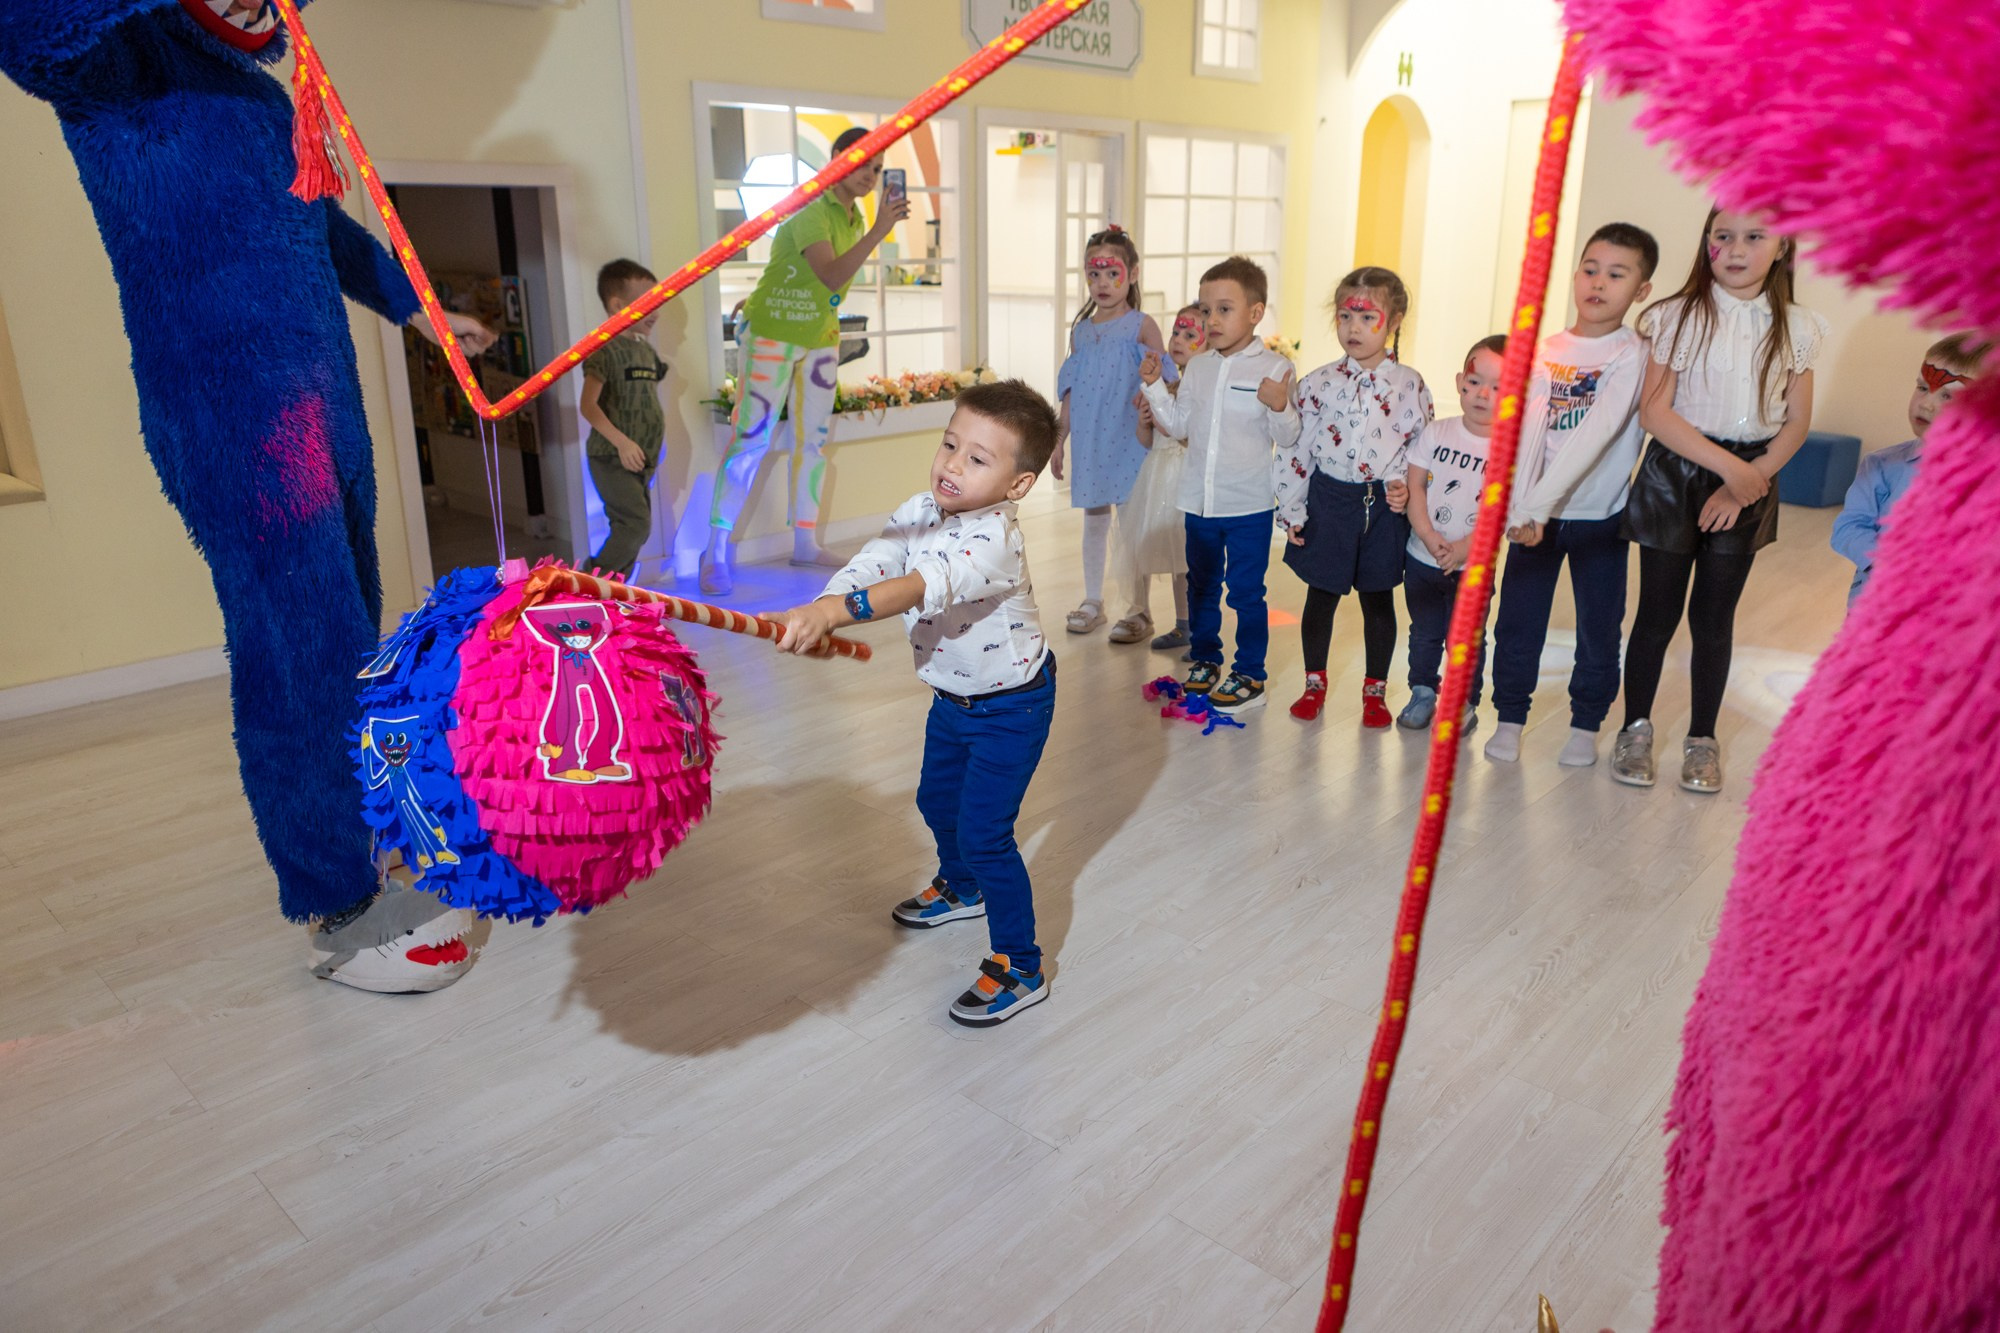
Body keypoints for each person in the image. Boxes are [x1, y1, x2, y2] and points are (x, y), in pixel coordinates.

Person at [775, 381, 1061, 1026]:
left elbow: (917, 587)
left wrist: (833, 615)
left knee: (988, 835)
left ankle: (1021, 963)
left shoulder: (995, 542)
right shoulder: (921, 509)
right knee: (936, 802)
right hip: (952, 697)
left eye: (978, 459)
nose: (953, 464)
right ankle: (960, 889)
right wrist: (824, 607)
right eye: (951, 444)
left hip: (1011, 706)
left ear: (1018, 486)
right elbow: (877, 562)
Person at [1612, 207, 1831, 793]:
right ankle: (1635, 728)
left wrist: (1747, 481)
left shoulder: (1801, 327)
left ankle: (1701, 739)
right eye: (1722, 236)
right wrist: (1733, 472)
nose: (1736, 248)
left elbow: (1797, 421)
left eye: (1754, 237)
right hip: (1676, 473)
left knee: (1713, 618)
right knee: (1655, 614)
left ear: (1783, 246)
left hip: (1753, 476)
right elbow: (1656, 411)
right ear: (1707, 241)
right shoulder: (1674, 316)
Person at [700, 126, 912, 595]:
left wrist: (871, 228)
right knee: (749, 440)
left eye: (878, 170)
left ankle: (805, 542)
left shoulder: (852, 217)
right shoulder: (810, 208)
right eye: (862, 164)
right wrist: (882, 230)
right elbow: (833, 275)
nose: (870, 176)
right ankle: (713, 550)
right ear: (837, 157)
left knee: (812, 442)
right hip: (773, 333)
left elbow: (825, 287)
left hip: (819, 338)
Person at [1483, 223, 1659, 768]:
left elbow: (1596, 432)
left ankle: (1586, 724)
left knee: (1599, 627)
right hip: (1533, 518)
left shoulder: (1633, 354)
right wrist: (1523, 509)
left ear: (1641, 290)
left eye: (1616, 273)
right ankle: (1510, 716)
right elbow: (1529, 432)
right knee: (1518, 622)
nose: (1598, 283)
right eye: (1589, 269)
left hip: (1599, 518)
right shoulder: (1544, 349)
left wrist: (1536, 504)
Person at [1139, 257, 1302, 714]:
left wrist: (1280, 406)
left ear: (1255, 313)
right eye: (1206, 310)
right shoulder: (1200, 367)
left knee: (1246, 592)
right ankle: (1207, 660)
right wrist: (1154, 387)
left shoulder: (1275, 369)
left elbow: (1289, 438)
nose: (1211, 320)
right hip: (1199, 502)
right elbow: (1176, 425)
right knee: (1202, 587)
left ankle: (1251, 672)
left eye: (1224, 309)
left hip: (1248, 505)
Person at [1274, 267, 1433, 726]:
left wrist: (1406, 486)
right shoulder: (1319, 383)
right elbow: (1296, 449)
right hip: (1329, 502)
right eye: (1345, 316)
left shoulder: (1410, 385)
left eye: (1367, 318)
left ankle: (1375, 691)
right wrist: (1293, 509)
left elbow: (1421, 448)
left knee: (1378, 601)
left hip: (1383, 510)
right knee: (1319, 598)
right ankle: (1314, 684)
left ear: (1394, 320)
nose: (1354, 328)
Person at [1054, 226, 1166, 640]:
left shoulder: (1141, 325)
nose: (1101, 284)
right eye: (1093, 274)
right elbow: (1070, 390)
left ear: (1132, 274)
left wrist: (1152, 399)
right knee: (1095, 521)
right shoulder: (1081, 331)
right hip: (1092, 439)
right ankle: (1093, 600)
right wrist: (1059, 439)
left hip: (1130, 437)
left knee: (1133, 525)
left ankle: (1139, 609)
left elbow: (1164, 377)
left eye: (1111, 273)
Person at [1398, 336, 1506, 731]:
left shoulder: (1510, 450)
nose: (1483, 394)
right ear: (1460, 381)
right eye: (1476, 382)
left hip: (1473, 567)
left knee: (1467, 639)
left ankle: (1462, 702)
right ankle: (1423, 691)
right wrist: (1428, 536)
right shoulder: (1436, 433)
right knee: (1424, 633)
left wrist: (1465, 548)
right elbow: (1417, 489)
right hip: (1423, 558)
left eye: (1499, 387)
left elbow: (1504, 512)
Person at [1831, 335, 1989, 605]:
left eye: (1947, 395)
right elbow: (1848, 528)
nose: (1927, 403)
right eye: (1922, 387)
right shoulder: (1880, 466)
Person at [1120, 304, 1207, 652]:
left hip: (1186, 479)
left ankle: (1200, 629)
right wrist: (1145, 421)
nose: (1178, 340)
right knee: (1175, 561)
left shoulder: (1201, 390)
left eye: (1190, 335)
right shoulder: (1166, 384)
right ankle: (1183, 625)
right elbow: (1149, 442)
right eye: (1176, 332)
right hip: (1159, 479)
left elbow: (1190, 437)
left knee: (1193, 563)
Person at [578, 259, 670, 581]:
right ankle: (588, 584)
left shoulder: (646, 352)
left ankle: (615, 594)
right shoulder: (603, 349)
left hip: (643, 459)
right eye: (649, 303)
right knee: (635, 523)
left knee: (635, 528)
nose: (657, 310)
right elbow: (588, 406)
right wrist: (622, 442)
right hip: (612, 455)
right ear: (619, 305)